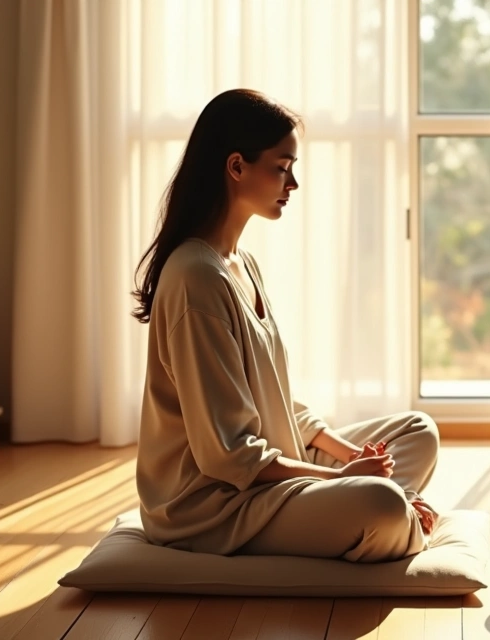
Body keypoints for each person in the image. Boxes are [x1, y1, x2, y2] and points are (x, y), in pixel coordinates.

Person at [131, 89, 439, 562]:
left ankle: (394, 511)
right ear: (236, 167)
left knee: (418, 428)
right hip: (218, 506)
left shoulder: (240, 263)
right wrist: (344, 480)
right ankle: (397, 515)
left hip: (273, 470)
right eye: (281, 166)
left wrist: (350, 457)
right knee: (379, 504)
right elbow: (227, 455)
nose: (292, 183)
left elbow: (270, 394)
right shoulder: (196, 277)